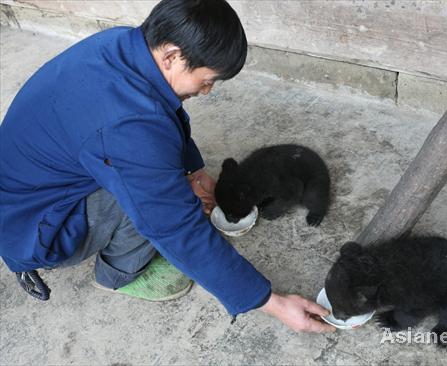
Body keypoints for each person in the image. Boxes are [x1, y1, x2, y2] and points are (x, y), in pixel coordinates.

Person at [0, 0, 334, 333]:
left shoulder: (123, 44)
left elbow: (163, 110)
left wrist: (193, 169)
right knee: (162, 202)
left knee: (161, 173)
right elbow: (175, 228)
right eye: (207, 80)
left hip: (28, 188)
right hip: (36, 228)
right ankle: (118, 273)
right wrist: (271, 302)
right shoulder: (128, 129)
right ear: (172, 55)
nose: (207, 91)